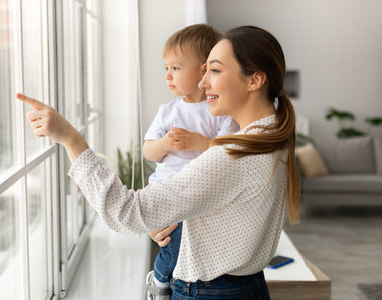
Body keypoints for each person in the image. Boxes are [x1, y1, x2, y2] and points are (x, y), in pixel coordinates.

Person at [17, 25, 300, 299]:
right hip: (246, 286)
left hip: (210, 292)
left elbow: (126, 212)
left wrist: (70, 139)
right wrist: (173, 216)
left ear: (254, 80)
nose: (203, 82)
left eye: (214, 70)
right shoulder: (272, 132)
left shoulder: (234, 154)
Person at [142, 24, 239, 298]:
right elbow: (148, 152)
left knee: (184, 241)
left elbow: (227, 153)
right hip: (165, 189)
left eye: (175, 68)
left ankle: (164, 277)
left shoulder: (220, 112)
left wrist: (198, 142)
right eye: (166, 68)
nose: (167, 76)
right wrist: (163, 144)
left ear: (203, 70)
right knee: (173, 240)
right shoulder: (167, 111)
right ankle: (160, 278)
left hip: (199, 193)